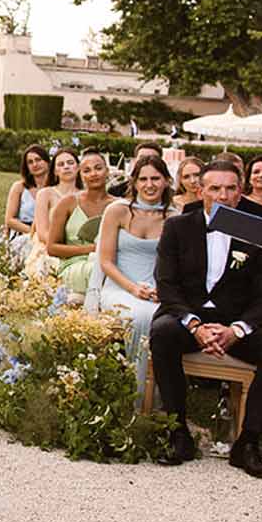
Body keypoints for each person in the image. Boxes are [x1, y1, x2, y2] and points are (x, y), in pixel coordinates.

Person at [151, 154, 262, 476]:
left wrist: (237, 330)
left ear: (240, 191)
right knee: (162, 333)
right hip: (187, 319)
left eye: (230, 188)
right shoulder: (177, 227)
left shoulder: (257, 232)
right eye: (215, 188)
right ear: (200, 190)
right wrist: (195, 326)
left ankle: (248, 442)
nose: (223, 195)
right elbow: (166, 285)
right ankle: (178, 432)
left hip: (234, 323)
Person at [96, 157, 171, 397]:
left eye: (156, 178)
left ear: (166, 181)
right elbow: (106, 261)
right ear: (134, 183)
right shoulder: (117, 211)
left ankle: (154, 394)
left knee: (160, 319)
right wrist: (132, 288)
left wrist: (164, 291)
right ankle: (135, 393)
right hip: (120, 286)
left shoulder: (174, 218)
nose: (149, 185)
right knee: (140, 317)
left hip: (157, 290)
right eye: (143, 179)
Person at [45, 148, 112, 297]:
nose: (93, 174)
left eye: (98, 168)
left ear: (107, 171)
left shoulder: (119, 205)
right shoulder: (67, 203)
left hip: (110, 263)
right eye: (87, 170)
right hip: (75, 264)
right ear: (80, 174)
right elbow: (52, 248)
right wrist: (91, 249)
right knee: (98, 270)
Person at [22, 148, 79, 280]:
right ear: (55, 171)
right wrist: (65, 249)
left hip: (79, 247)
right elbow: (42, 233)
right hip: (49, 247)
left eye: (70, 163)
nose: (66, 167)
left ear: (78, 167)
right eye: (61, 164)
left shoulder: (85, 195)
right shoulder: (46, 194)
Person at [5, 145, 52, 263]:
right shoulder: (19, 187)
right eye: (30, 162)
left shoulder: (55, 188)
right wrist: (33, 232)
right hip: (24, 233)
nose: (35, 164)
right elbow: (9, 220)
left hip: (48, 234)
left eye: (38, 160)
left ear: (47, 162)